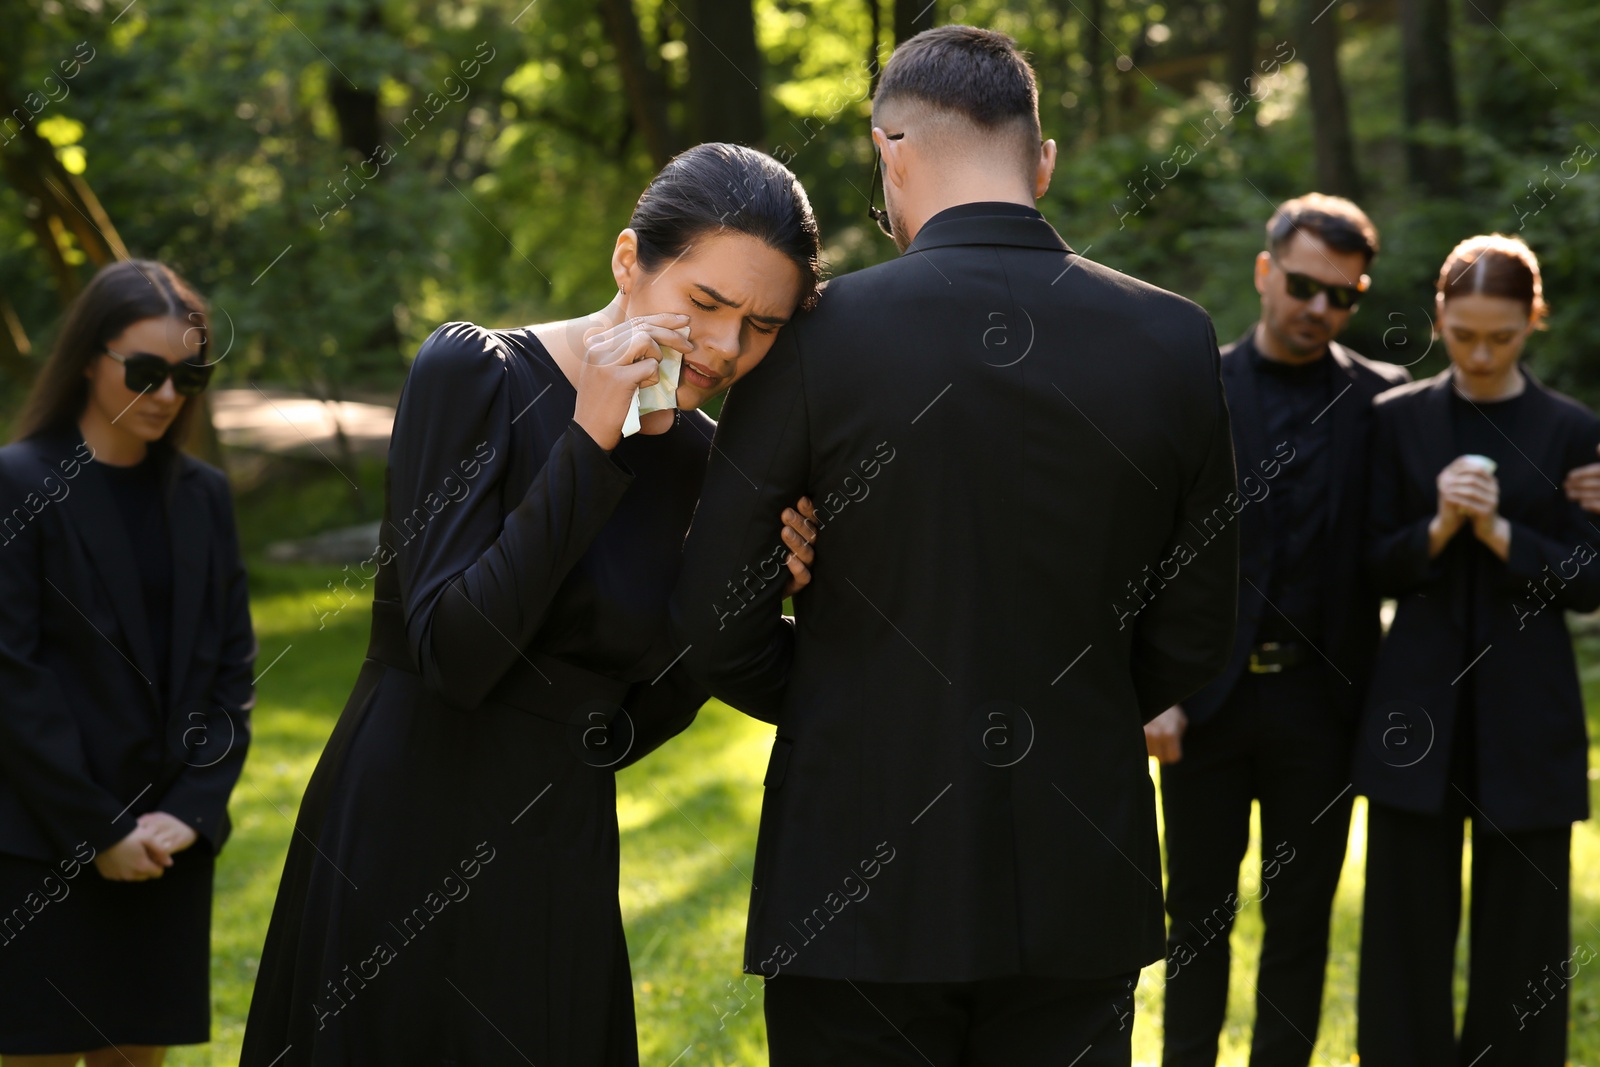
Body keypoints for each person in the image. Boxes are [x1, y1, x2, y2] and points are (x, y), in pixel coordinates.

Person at [671, 27, 1238, 1065]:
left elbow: (716, 618)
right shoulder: (1174, 339)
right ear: (1044, 159)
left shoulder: (813, 336)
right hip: (1076, 869)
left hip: (855, 864)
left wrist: (850, 694)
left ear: (892, 150)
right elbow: (1200, 627)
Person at [238, 143, 823, 1066]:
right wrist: (592, 440)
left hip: (557, 848)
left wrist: (742, 602)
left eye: (762, 325)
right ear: (629, 259)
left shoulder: (711, 468)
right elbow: (455, 654)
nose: (724, 346)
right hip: (402, 825)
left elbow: (626, 727)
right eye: (707, 303)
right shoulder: (475, 374)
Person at [1145, 195, 1407, 1067]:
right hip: (1204, 704)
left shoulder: (1382, 403)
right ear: (1266, 273)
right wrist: (1158, 692)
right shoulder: (1195, 388)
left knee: (1300, 924)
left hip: (1323, 709)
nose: (1318, 309)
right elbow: (1151, 549)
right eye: (1302, 285)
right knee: (1197, 923)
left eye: (1342, 295)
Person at [0, 260, 255, 1067]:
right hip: (39, 842)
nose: (171, 395)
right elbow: (12, 676)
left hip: (165, 845)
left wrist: (197, 807)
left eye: (190, 374)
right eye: (146, 373)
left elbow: (230, 669)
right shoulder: (15, 483)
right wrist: (95, 830)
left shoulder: (204, 495)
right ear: (87, 358)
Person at [1353, 234, 1598, 1066]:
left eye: (1503, 335)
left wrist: (1500, 532)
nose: (1483, 353)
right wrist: (1438, 526)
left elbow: (1591, 579)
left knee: (1525, 940)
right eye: (1464, 336)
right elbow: (1365, 559)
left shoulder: (1572, 430)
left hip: (1528, 714)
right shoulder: (1396, 418)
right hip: (1413, 707)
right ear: (1439, 320)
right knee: (1402, 931)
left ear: (1535, 320)